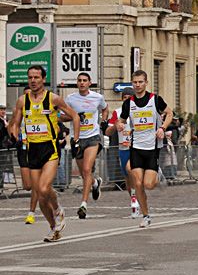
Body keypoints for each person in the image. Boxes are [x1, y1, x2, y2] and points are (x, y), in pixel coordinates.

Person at [6, 65, 80, 243]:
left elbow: (75, 116)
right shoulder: (22, 101)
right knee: (39, 195)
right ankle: (54, 227)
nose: (32, 80)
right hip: (32, 150)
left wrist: (75, 139)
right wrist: (13, 134)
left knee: (45, 188)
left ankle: (58, 208)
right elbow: (15, 121)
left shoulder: (53, 99)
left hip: (50, 148)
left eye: (36, 77)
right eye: (30, 77)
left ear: (43, 79)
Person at [119, 69, 173, 228]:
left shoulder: (155, 99)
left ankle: (158, 175)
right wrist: (120, 125)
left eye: (140, 82)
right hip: (135, 147)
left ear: (146, 83)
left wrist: (162, 127)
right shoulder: (128, 103)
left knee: (149, 184)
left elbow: (169, 113)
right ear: (132, 83)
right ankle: (146, 215)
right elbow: (120, 120)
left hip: (152, 148)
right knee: (137, 182)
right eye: (135, 82)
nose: (137, 85)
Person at [63, 72, 108, 219]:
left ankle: (83, 204)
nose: (82, 83)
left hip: (93, 137)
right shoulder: (70, 99)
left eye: (85, 80)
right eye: (79, 80)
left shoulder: (97, 97)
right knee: (84, 174)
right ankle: (95, 183)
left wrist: (103, 120)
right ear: (77, 83)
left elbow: (105, 108)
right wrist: (75, 116)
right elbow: (60, 116)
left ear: (90, 83)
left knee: (88, 169)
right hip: (77, 138)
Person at [106, 89, 139, 218]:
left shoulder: (140, 111)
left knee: (130, 170)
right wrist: (115, 125)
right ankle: (134, 199)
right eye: (124, 97)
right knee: (127, 178)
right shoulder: (117, 113)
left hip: (138, 147)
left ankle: (137, 197)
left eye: (129, 97)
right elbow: (108, 132)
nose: (126, 99)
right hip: (123, 148)